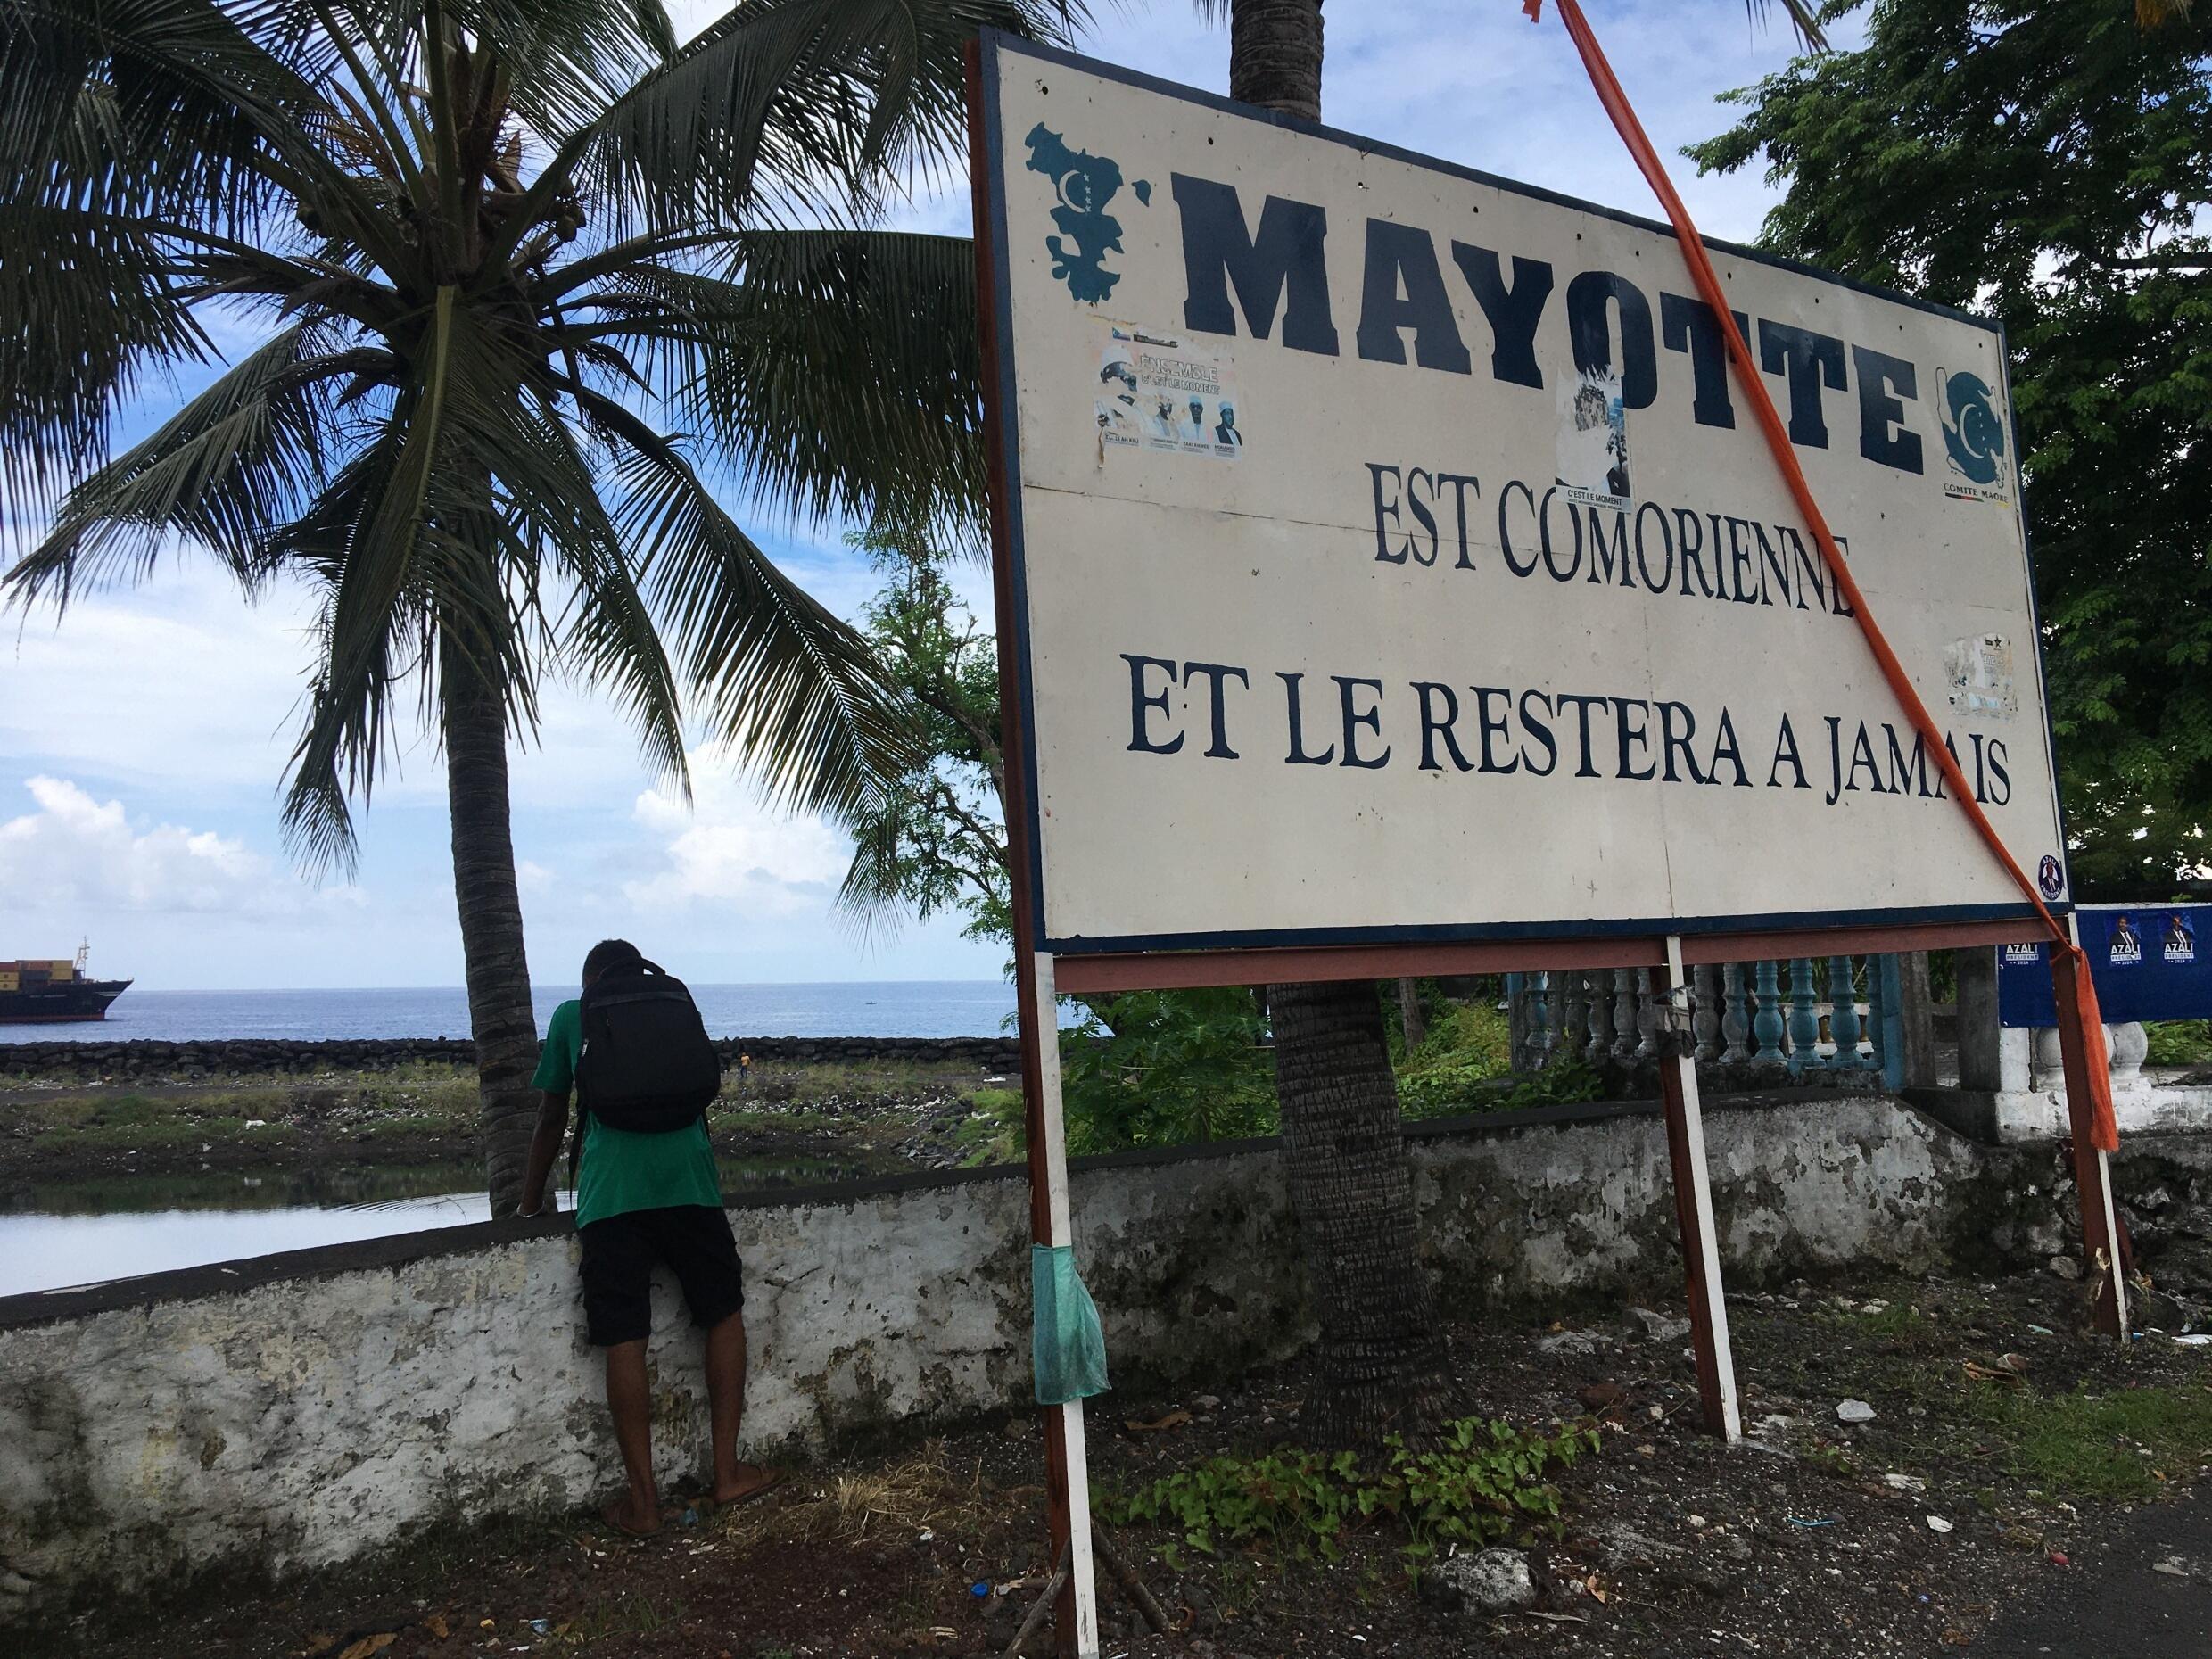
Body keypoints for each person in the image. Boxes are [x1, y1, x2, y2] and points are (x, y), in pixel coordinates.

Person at [517, 938, 780, 1533]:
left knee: (624, 1337)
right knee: (723, 1315)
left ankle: (643, 1505)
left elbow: (551, 1118)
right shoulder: (674, 1001)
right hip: (691, 1185)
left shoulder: (571, 1015)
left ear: (592, 980)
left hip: (613, 1198)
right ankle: (728, 1473)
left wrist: (529, 1204)